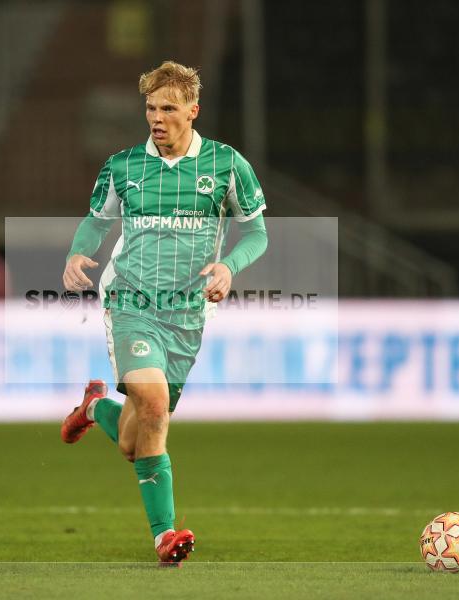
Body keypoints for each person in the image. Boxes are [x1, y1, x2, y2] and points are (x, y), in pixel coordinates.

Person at [59, 61, 268, 566]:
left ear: (193, 111)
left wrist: (228, 266)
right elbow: (96, 220)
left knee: (135, 441)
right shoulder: (123, 166)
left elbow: (256, 233)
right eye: (151, 108)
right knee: (154, 407)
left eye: (169, 108)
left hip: (188, 316)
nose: (157, 117)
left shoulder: (225, 164)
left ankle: (93, 408)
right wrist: (76, 253)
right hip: (131, 300)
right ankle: (165, 536)